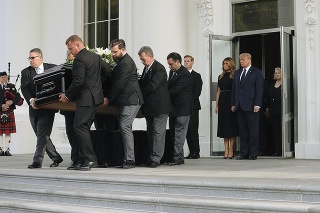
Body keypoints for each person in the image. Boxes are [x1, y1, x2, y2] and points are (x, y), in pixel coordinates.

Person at [59, 35, 111, 171]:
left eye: (71, 49)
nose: (70, 52)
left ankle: (89, 159)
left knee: (78, 127)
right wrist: (96, 85)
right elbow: (107, 70)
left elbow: (78, 81)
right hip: (95, 98)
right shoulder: (94, 56)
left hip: (86, 99)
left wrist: (67, 96)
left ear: (77, 45)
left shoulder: (80, 59)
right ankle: (81, 160)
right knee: (83, 128)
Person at [21, 48, 63, 168]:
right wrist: (31, 100)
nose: (30, 60)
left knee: (41, 135)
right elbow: (24, 89)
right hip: (33, 108)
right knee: (42, 135)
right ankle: (56, 157)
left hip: (48, 108)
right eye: (29, 58)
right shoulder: (26, 72)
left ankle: (37, 161)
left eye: (33, 58)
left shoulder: (53, 68)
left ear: (40, 57)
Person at [105, 39, 144, 169]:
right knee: (124, 127)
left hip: (131, 100)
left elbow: (119, 84)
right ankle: (127, 158)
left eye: (115, 52)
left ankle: (130, 160)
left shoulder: (126, 63)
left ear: (123, 49)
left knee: (124, 126)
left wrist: (108, 99)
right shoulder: (122, 62)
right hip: (126, 100)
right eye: (112, 52)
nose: (113, 54)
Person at [138, 46, 171, 168]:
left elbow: (152, 86)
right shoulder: (146, 69)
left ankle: (156, 158)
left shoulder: (159, 68)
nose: (142, 62)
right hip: (150, 108)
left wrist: (139, 92)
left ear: (150, 56)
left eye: (144, 59)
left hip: (159, 107)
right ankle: (152, 156)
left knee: (158, 132)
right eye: (141, 60)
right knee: (151, 132)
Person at [231, 53, 264, 160]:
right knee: (243, 131)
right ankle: (243, 153)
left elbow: (259, 90)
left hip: (251, 106)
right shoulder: (237, 73)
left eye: (243, 59)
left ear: (249, 60)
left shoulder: (257, 72)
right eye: (240, 60)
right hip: (239, 106)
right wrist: (233, 103)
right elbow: (234, 90)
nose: (241, 61)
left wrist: (257, 104)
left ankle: (253, 153)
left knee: (253, 130)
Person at [167, 52, 192, 165]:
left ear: (178, 62)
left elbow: (176, 90)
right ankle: (178, 157)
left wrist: (163, 94)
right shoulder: (172, 72)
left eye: (171, 64)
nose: (170, 66)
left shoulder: (184, 74)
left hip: (182, 110)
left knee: (179, 134)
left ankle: (177, 158)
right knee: (174, 134)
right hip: (173, 109)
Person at [215, 57, 238, 159]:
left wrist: (235, 104)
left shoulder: (235, 75)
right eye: (224, 63)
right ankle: (226, 150)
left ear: (231, 64)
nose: (225, 65)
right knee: (224, 127)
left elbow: (237, 91)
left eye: (227, 63)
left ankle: (231, 150)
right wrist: (217, 105)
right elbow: (218, 92)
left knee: (231, 127)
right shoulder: (220, 76)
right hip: (223, 101)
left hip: (231, 101)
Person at [0, 71, 23, 156]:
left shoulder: (11, 87)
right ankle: (1, 149)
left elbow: (18, 97)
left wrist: (12, 101)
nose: (4, 79)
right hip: (0, 111)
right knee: (0, 133)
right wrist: (1, 105)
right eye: (2, 77)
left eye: (5, 77)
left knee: (8, 132)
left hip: (9, 111)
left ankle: (7, 149)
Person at [183, 55, 202, 159]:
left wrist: (188, 101)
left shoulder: (196, 76)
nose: (186, 63)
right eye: (185, 61)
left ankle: (196, 151)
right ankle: (191, 151)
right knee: (186, 130)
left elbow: (197, 92)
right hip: (183, 107)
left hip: (193, 106)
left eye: (188, 61)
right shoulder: (181, 74)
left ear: (192, 62)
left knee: (193, 129)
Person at [265, 67, 282, 156]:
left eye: (279, 72)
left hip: (282, 111)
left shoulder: (285, 84)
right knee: (275, 131)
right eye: (275, 73)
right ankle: (277, 150)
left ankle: (283, 150)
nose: (277, 74)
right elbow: (268, 97)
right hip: (273, 111)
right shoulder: (271, 84)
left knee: (282, 131)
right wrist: (267, 108)